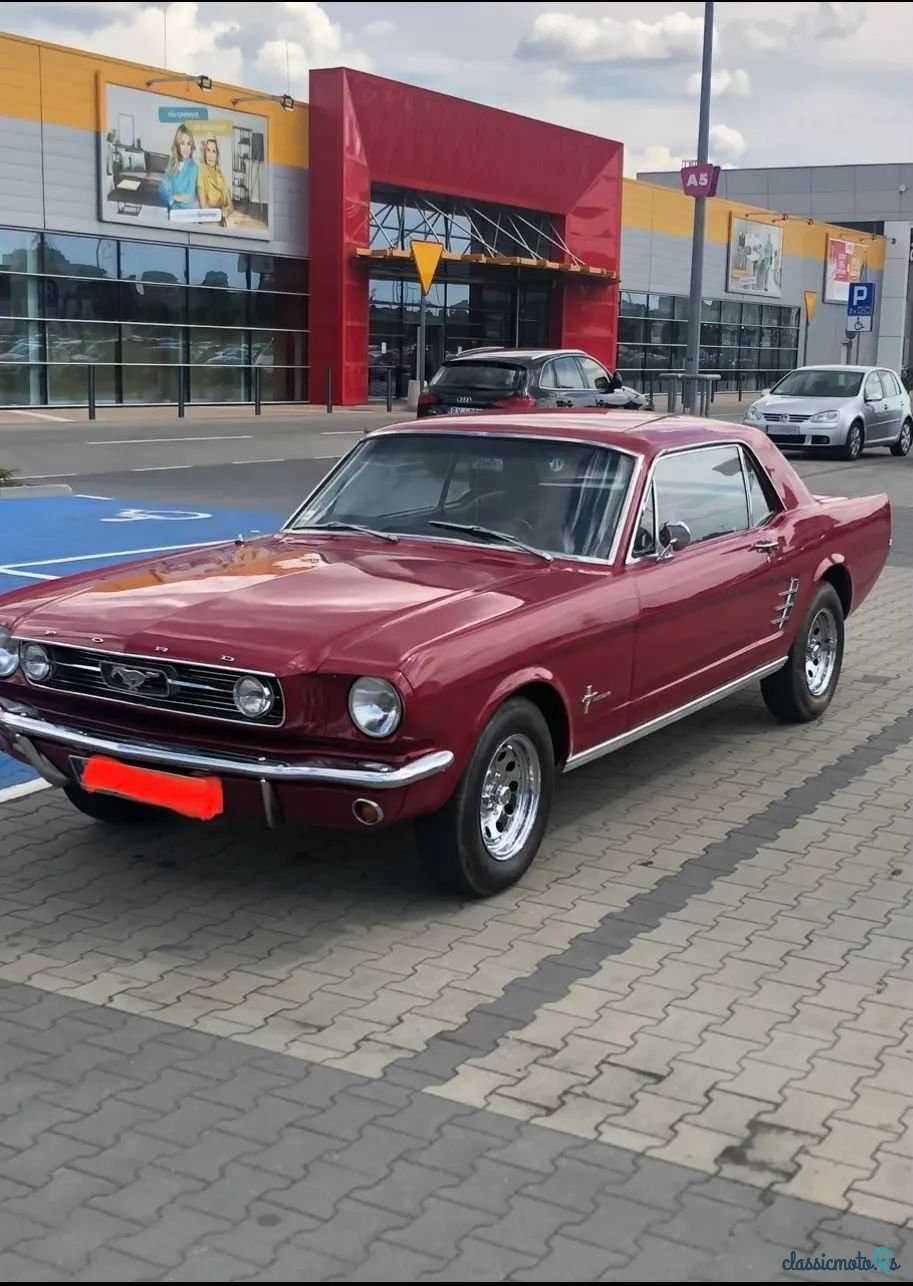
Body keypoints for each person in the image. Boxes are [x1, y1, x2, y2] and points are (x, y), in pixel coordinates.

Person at [158, 124, 199, 214]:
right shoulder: (172, 163)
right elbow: (162, 190)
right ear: (177, 145)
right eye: (182, 143)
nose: (186, 148)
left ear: (191, 146)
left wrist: (172, 197)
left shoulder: (193, 167)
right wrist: (174, 197)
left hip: (186, 215)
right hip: (172, 213)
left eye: (188, 144)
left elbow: (188, 200)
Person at [197, 136, 233, 223]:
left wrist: (227, 211)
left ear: (217, 155)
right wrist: (220, 213)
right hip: (207, 223)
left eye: (214, 151)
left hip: (222, 221)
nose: (210, 155)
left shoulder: (221, 176)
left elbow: (231, 206)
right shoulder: (201, 174)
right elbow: (204, 207)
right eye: (208, 150)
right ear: (204, 153)